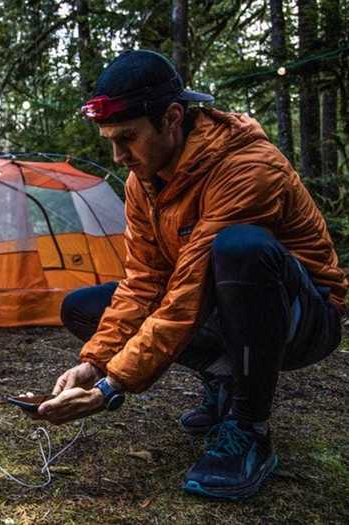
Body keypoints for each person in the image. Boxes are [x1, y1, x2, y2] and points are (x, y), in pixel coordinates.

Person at [35, 49, 347, 500]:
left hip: (306, 317)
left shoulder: (247, 167)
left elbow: (186, 292)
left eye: (128, 138)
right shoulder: (142, 180)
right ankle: (225, 378)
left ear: (173, 117)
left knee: (240, 249)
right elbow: (144, 281)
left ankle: (250, 427)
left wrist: (110, 387)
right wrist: (95, 362)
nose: (119, 155)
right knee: (83, 308)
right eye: (110, 141)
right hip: (220, 304)